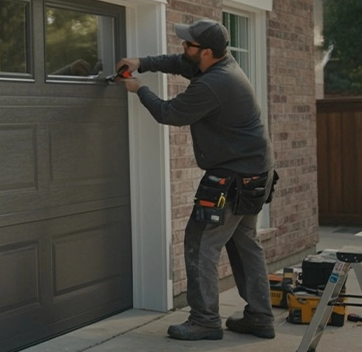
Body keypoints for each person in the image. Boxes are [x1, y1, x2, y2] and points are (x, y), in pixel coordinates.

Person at [115, 19, 277, 341]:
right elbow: (179, 63)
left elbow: (169, 113)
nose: (183, 47)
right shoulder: (220, 65)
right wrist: (141, 63)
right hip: (255, 172)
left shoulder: (213, 84)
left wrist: (139, 89)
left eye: (188, 43)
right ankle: (260, 317)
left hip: (235, 177)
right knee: (245, 243)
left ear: (204, 52)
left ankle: (205, 320)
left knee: (200, 242)